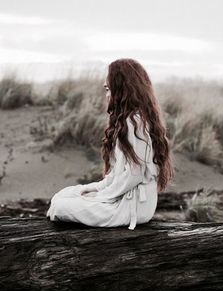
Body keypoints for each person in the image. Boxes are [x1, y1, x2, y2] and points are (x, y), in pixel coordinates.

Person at [46, 58, 175, 230]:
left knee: (60, 206)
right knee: (63, 195)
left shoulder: (134, 122)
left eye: (108, 89)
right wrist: (94, 189)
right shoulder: (131, 120)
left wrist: (100, 196)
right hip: (124, 200)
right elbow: (117, 176)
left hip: (131, 208)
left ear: (122, 89)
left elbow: (134, 176)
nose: (107, 94)